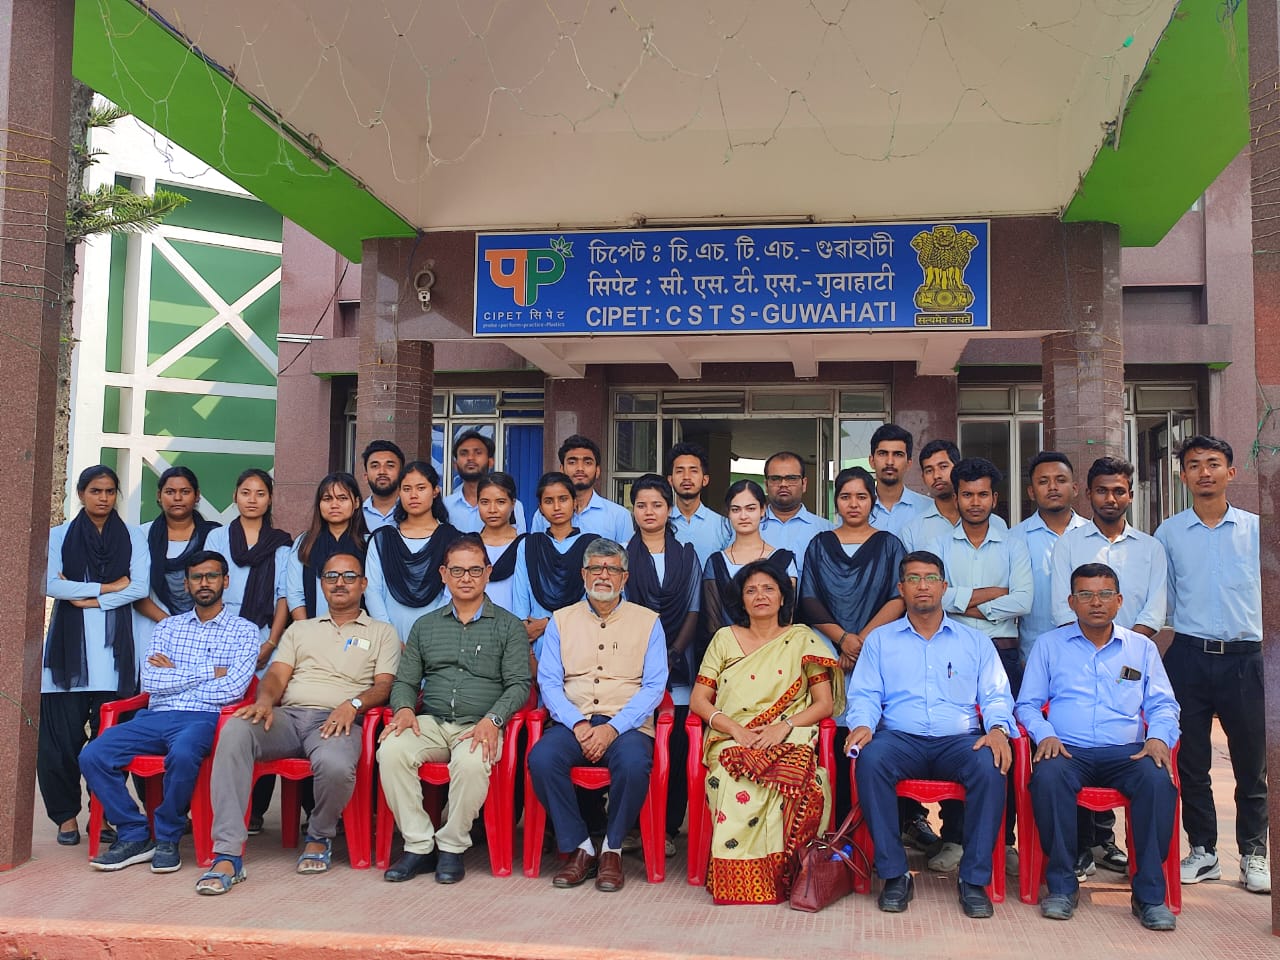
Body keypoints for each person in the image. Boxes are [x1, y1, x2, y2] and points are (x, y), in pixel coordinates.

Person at [196, 552, 399, 894]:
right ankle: (227, 853)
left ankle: (319, 834)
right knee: (234, 732)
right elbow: (276, 674)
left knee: (335, 765)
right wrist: (264, 701)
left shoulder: (383, 632)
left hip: (337, 721)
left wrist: (353, 704)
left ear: (363, 584)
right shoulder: (301, 630)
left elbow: (384, 685)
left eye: (349, 577)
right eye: (331, 576)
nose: (340, 583)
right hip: (288, 717)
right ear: (321, 584)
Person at [845, 551, 1017, 919]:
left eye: (930, 578)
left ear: (943, 586)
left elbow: (996, 695)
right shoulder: (880, 641)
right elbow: (865, 694)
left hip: (959, 741)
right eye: (913, 579)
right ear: (901, 588)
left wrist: (998, 729)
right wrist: (862, 724)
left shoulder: (974, 642)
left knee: (991, 765)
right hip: (900, 739)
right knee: (871, 761)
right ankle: (894, 875)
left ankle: (973, 880)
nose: (922, 586)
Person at [1016, 562, 1180, 931]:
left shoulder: (1141, 649)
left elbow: (1163, 704)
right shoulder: (1049, 646)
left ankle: (1149, 896)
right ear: (1071, 602)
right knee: (1048, 778)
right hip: (1067, 750)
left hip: (1128, 752)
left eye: (1105, 594)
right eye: (1086, 595)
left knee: (1157, 781)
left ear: (1119, 601)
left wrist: (1158, 736)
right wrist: (1045, 734)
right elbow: (1027, 704)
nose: (1096, 602)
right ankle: (1062, 887)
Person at [80, 550, 259, 873]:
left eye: (212, 576)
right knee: (93, 755)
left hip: (204, 718)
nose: (204, 583)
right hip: (155, 717)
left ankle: (167, 837)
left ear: (225, 581)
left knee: (184, 754)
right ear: (187, 584)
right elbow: (151, 681)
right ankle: (134, 833)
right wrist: (210, 671)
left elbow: (233, 689)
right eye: (196, 577)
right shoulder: (168, 628)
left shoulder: (244, 630)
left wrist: (176, 674)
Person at [378, 535, 532, 884]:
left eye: (475, 570)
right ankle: (419, 845)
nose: (466, 578)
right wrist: (404, 709)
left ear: (488, 573)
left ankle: (451, 846)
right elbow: (405, 681)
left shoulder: (508, 626)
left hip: (479, 724)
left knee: (472, 763)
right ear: (443, 574)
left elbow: (519, 684)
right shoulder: (426, 626)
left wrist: (494, 720)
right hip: (431, 723)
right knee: (391, 750)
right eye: (458, 571)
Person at [692, 560, 843, 904]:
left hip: (789, 734)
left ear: (782, 597)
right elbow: (700, 700)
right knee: (734, 777)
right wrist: (736, 731)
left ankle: (792, 874)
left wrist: (783, 727)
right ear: (741, 600)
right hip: (731, 738)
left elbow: (824, 704)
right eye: (751, 590)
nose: (760, 596)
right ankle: (744, 879)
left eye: (768, 589)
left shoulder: (801, 639)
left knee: (805, 782)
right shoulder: (724, 639)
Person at [1155, 435, 1268, 894]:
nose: (1205, 472)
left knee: (1252, 762)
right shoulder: (1168, 533)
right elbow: (1165, 599)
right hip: (1189, 656)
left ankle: (1254, 854)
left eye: (1214, 463)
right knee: (1192, 762)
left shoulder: (1257, 529)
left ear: (1231, 473)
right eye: (1195, 465)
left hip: (1246, 658)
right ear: (1183, 476)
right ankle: (1203, 851)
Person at [526, 539, 667, 893]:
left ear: (625, 577)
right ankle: (581, 847)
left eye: (612, 569)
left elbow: (654, 687)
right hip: (573, 722)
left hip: (626, 724)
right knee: (542, 759)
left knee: (634, 765)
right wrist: (577, 723)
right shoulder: (561, 620)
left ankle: (612, 849)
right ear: (583, 574)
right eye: (595, 569)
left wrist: (613, 728)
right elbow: (549, 682)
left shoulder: (648, 622)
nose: (603, 575)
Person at [1049, 455, 1167, 877]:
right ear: (1088, 493)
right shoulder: (1069, 544)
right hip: (1076, 653)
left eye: (1119, 491)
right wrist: (1092, 642)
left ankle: (1106, 843)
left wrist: (1125, 647)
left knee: (1121, 739)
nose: (1110, 498)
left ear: (1130, 495)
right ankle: (1081, 848)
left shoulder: (1151, 548)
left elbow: (1154, 609)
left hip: (1132, 656)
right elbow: (1062, 607)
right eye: (1102, 490)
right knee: (1077, 736)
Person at [39, 465, 149, 846]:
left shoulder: (133, 536)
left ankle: (101, 818)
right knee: (59, 746)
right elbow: (50, 584)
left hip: (115, 662)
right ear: (81, 493)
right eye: (95, 491)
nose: (103, 498)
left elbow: (139, 587)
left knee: (111, 747)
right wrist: (108, 587)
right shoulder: (58, 536)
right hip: (65, 662)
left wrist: (87, 597)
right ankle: (66, 818)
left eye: (109, 491)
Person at [797, 466, 905, 820]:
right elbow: (808, 599)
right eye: (845, 497)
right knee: (830, 735)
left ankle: (879, 822)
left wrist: (861, 643)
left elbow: (898, 597)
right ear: (836, 502)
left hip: (877, 651)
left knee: (876, 733)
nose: (853, 504)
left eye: (861, 496)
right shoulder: (819, 544)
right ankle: (832, 820)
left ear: (872, 500)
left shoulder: (889, 545)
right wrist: (842, 639)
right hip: (828, 651)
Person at [204, 468, 294, 834]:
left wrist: (270, 643)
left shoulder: (282, 544)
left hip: (264, 638)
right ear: (235, 496)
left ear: (270, 499)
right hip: (223, 637)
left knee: (261, 713)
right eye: (246, 492)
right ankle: (216, 804)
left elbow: (284, 597)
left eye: (260, 493)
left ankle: (256, 810)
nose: (252, 499)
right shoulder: (217, 537)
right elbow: (209, 586)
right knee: (221, 715)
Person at [625, 474, 701, 855]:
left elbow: (694, 608)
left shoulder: (686, 554)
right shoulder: (622, 556)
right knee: (637, 746)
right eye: (641, 505)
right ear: (633, 510)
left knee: (678, 748)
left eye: (656, 504)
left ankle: (669, 827)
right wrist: (649, 659)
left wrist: (671, 655)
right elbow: (620, 612)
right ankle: (631, 826)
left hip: (680, 665)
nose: (649, 512)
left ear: (669, 509)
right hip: (633, 667)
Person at [364, 461, 462, 641]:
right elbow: (372, 590)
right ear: (399, 493)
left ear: (435, 491)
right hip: (388, 637)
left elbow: (453, 591)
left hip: (439, 636)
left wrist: (432, 633)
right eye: (407, 489)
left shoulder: (452, 538)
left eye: (421, 488)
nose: (413, 495)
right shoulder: (382, 539)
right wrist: (390, 636)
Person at [132, 467, 221, 659]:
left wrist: (190, 628)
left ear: (197, 496)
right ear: (159, 496)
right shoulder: (142, 535)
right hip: (154, 627)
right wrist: (172, 624)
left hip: (205, 630)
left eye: (185, 492)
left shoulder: (214, 536)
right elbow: (134, 591)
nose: (178, 498)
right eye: (170, 492)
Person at [511, 471, 601, 658]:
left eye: (563, 499)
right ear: (540, 508)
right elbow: (520, 600)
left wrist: (547, 623)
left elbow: (595, 603)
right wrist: (526, 645)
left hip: (583, 641)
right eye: (549, 501)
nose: (557, 507)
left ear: (574, 502)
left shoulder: (593, 545)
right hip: (538, 644)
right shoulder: (529, 545)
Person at [701, 480, 798, 649]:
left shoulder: (784, 560)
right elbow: (713, 625)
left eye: (750, 508)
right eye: (736, 509)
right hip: (728, 655)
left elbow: (786, 619)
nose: (743, 516)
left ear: (763, 510)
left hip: (776, 653)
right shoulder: (716, 562)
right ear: (728, 513)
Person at [1010, 452, 1087, 664]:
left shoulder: (1092, 536)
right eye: (1043, 482)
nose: (1053, 487)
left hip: (1089, 655)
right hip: (1033, 656)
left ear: (1075, 488)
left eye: (1060, 480)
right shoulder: (1014, 539)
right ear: (1031, 492)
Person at [286, 472, 368, 620]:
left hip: (359, 629)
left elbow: (374, 592)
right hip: (312, 628)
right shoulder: (304, 542)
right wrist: (306, 628)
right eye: (327, 499)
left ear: (356, 502)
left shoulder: (368, 543)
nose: (334, 505)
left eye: (342, 498)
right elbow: (295, 594)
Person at [901, 439, 1008, 551]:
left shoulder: (996, 524)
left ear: (957, 468)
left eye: (943, 467)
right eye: (929, 470)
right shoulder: (912, 530)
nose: (936, 475)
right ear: (923, 477)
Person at [530, 435, 632, 542]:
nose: (580, 468)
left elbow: (626, 552)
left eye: (587, 463)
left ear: (597, 471)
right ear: (562, 469)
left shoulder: (619, 516)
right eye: (572, 462)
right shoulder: (543, 515)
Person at [758, 451, 833, 576]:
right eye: (776, 479)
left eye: (791, 478)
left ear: (804, 484)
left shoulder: (826, 530)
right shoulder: (749, 528)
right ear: (766, 485)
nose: (783, 484)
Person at [442, 429, 528, 534]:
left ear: (490, 462)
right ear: (455, 465)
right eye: (464, 453)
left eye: (478, 453)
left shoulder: (513, 506)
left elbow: (520, 541)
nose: (470, 458)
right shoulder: (446, 505)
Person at [664, 442, 730, 566]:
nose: (686, 477)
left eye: (693, 471)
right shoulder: (660, 523)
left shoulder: (723, 525)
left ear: (705, 480)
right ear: (670, 480)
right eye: (680, 471)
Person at [474, 471, 525, 614]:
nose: (492, 510)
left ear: (513, 504)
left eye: (500, 502)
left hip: (516, 623)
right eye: (485, 502)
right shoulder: (468, 546)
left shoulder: (526, 545)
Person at [867, 424, 931, 536]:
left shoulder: (928, 509)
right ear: (871, 461)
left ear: (909, 463)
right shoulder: (856, 509)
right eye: (883, 454)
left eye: (898, 454)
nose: (890, 462)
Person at [360, 440, 405, 532]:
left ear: (402, 474)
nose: (382, 472)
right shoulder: (355, 515)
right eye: (375, 466)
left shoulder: (413, 511)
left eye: (390, 466)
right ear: (366, 476)